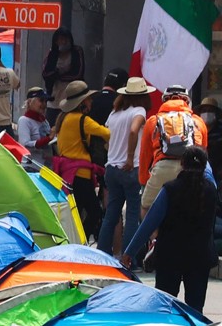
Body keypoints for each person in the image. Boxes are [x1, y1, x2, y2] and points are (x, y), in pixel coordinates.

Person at [124, 146, 217, 312]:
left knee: (164, 307)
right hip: (200, 257)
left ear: (181, 163)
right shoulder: (211, 190)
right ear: (205, 166)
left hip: (170, 256)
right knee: (196, 309)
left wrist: (129, 252)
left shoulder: (170, 189)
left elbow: (149, 224)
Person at [98, 77, 152, 253]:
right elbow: (133, 130)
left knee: (111, 214)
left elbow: (107, 139)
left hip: (111, 168)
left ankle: (102, 252)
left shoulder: (114, 114)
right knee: (132, 214)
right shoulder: (139, 111)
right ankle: (129, 258)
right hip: (131, 168)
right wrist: (129, 157)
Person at [50, 79, 108, 235]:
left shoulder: (63, 118)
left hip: (67, 174)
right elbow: (107, 133)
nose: (91, 102)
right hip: (80, 174)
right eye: (89, 99)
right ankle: (81, 242)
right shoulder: (82, 120)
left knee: (75, 213)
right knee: (95, 213)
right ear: (81, 102)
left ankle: (75, 241)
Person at [140, 84, 209, 210]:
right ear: (187, 101)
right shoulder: (198, 121)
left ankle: (152, 230)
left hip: (162, 167)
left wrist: (144, 181)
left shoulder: (153, 120)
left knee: (147, 206)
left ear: (165, 100)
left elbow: (145, 155)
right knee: (189, 209)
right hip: (190, 169)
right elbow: (202, 152)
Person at [41, 28, 85, 99]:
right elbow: (46, 75)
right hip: (54, 100)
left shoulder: (77, 51)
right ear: (56, 41)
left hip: (72, 99)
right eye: (61, 39)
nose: (64, 42)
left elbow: (77, 75)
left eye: (66, 39)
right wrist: (64, 70)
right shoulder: (52, 53)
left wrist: (55, 75)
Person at [16, 88, 52, 156]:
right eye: (41, 101)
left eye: (46, 102)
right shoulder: (24, 120)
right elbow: (25, 145)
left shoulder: (44, 121)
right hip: (30, 164)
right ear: (30, 101)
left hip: (45, 164)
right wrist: (49, 138)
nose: (44, 104)